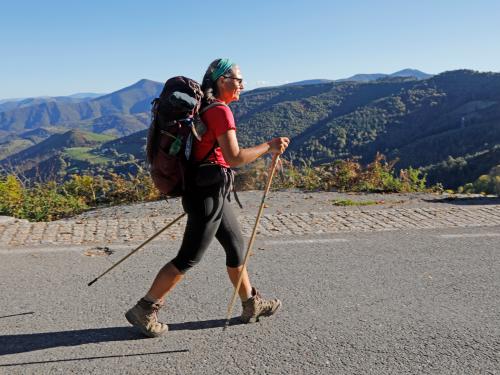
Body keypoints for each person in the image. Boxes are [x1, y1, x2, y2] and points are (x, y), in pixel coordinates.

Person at [125, 58, 290, 338]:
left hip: (210, 191)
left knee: (236, 247)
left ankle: (251, 304)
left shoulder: (206, 108)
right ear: (221, 81)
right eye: (238, 79)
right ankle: (144, 309)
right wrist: (269, 146)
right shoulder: (220, 112)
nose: (242, 84)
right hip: (206, 194)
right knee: (189, 257)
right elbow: (234, 158)